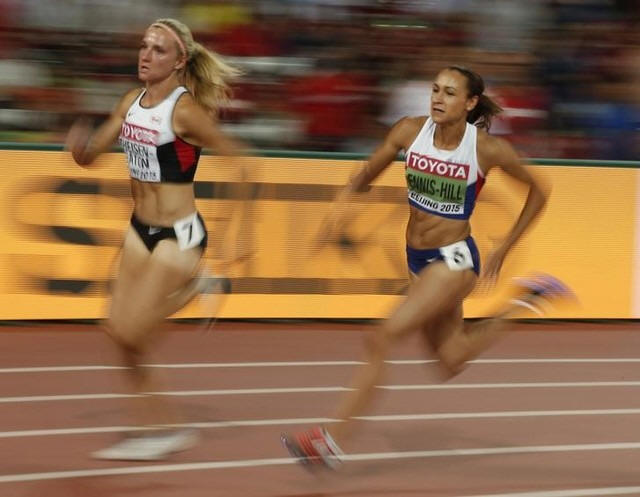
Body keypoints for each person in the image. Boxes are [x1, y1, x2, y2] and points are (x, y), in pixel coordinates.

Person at [281, 65, 571, 469]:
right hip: (417, 259)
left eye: (450, 93)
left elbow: (540, 190)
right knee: (450, 360)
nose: (438, 98)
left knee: (383, 335)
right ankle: (526, 301)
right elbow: (364, 175)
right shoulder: (409, 131)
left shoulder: (486, 149)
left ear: (470, 103)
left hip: (455, 260)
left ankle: (330, 442)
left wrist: (506, 246)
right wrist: (341, 207)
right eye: (435, 89)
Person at [66, 18, 246, 461]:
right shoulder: (130, 101)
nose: (146, 55)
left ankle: (199, 282)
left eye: (159, 49)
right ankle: (158, 430)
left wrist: (240, 234)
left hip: (178, 236)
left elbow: (245, 166)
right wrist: (80, 149)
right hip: (138, 230)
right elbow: (92, 156)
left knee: (133, 333)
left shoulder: (184, 112)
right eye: (144, 46)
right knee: (117, 332)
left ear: (180, 61)